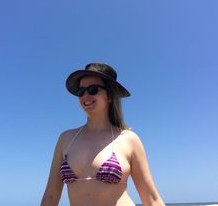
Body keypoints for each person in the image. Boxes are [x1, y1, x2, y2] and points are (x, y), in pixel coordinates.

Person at [40, 63, 165, 206]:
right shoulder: (66, 139)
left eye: (93, 89)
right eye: (81, 91)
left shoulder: (129, 139)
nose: (85, 96)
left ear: (110, 96)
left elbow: (151, 198)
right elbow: (50, 196)